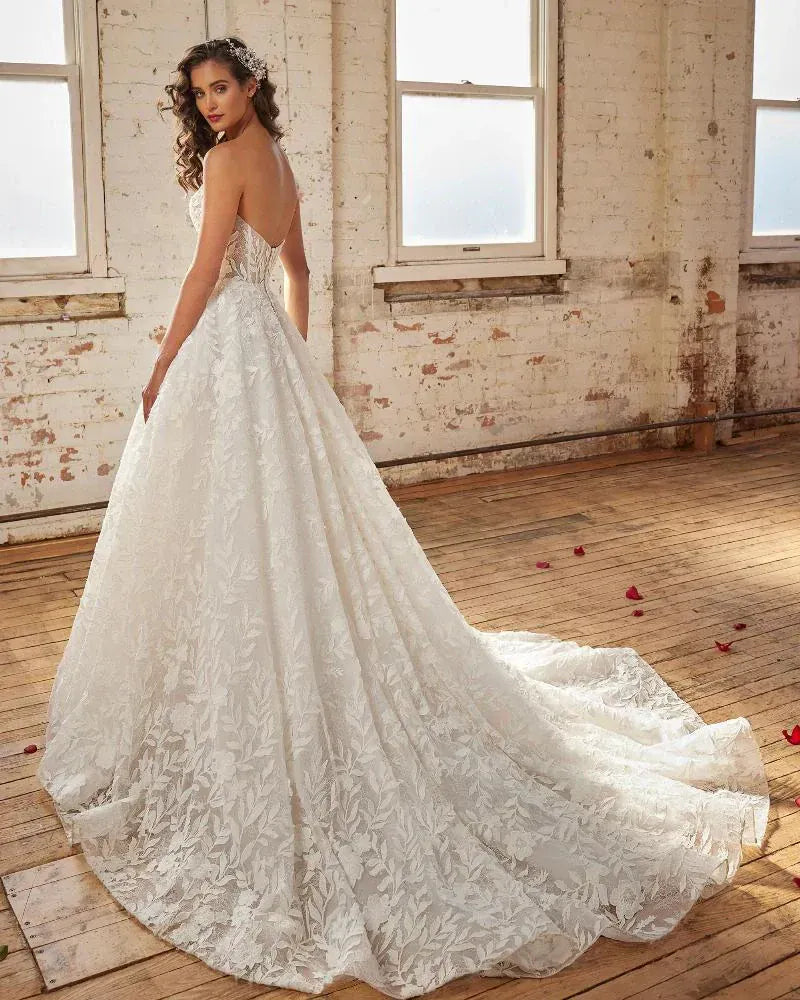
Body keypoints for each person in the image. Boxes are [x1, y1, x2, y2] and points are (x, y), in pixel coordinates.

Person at [37, 35, 771, 1000]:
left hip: (223, 353)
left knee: (226, 538)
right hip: (264, 361)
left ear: (251, 84)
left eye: (222, 87)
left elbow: (203, 274)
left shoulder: (227, 162)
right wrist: (292, 366)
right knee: (272, 533)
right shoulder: (281, 160)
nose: (211, 105)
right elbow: (296, 270)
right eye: (201, 94)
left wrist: (166, 365)